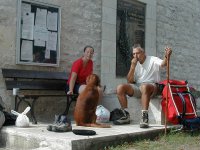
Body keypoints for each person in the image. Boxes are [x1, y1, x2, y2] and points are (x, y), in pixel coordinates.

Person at [114, 44, 172, 128]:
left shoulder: (152, 59)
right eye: (134, 54)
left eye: (137, 53)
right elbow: (130, 81)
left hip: (152, 85)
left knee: (144, 86)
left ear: (143, 53)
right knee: (120, 87)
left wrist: (167, 57)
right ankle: (125, 115)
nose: (135, 56)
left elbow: (163, 64)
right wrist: (132, 67)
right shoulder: (135, 63)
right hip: (138, 86)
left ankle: (144, 118)